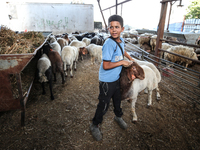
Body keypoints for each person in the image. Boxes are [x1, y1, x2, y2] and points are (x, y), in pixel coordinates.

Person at [90, 14, 135, 141]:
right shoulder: (109, 43)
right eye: (111, 27)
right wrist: (122, 62)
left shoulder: (120, 40)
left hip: (116, 78)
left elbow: (122, 50)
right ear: (108, 29)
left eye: (117, 27)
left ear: (122, 29)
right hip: (106, 80)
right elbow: (105, 65)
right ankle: (94, 124)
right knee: (104, 104)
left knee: (117, 99)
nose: (114, 29)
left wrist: (130, 58)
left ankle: (118, 116)